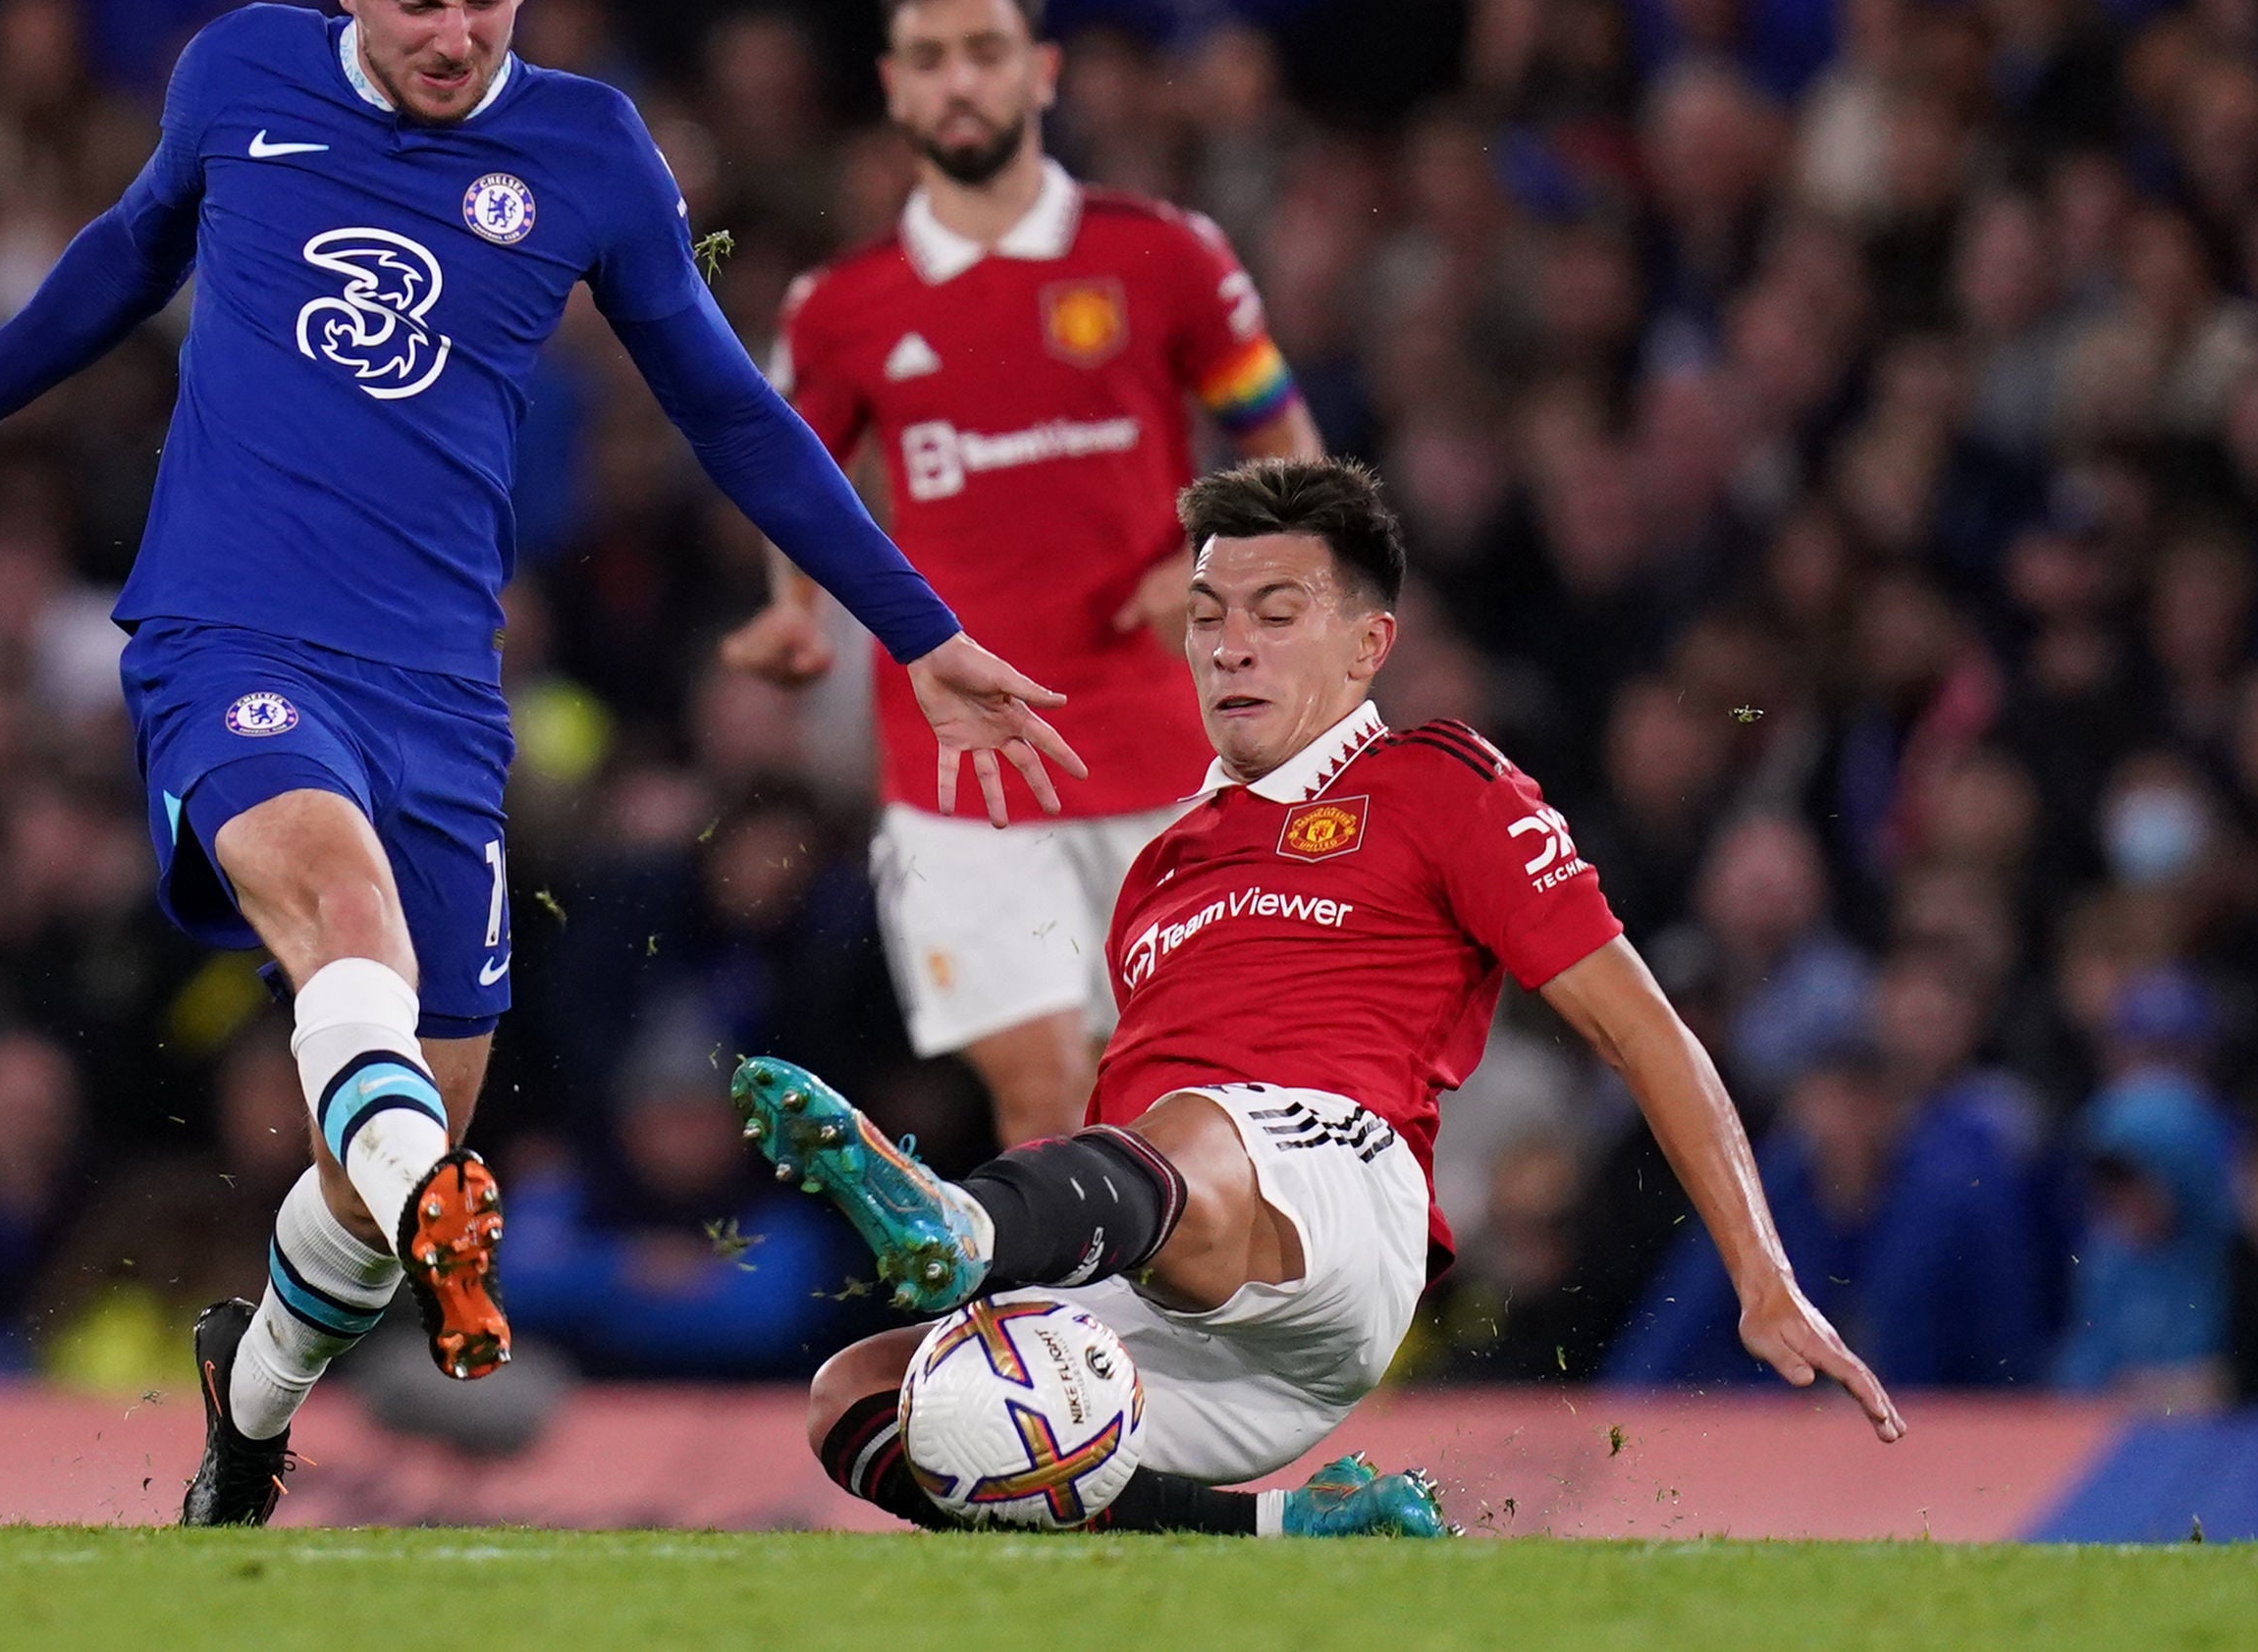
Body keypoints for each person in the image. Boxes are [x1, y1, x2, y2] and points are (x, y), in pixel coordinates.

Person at [0, 0, 1082, 1528]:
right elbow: (133, 247)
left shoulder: (589, 152)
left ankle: (250, 1407)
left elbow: (726, 405)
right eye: (415, 0)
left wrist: (920, 628)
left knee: (387, 1142)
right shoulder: (237, 79)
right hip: (230, 633)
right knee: (342, 925)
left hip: (438, 692)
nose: (453, 36)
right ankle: (438, 1234)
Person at [735, 457, 1901, 1538]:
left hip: (1336, 1214)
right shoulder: (1163, 865)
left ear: (1366, 645)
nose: (1231, 647)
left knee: (1194, 1125)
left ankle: (964, 1222)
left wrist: (1764, 1274)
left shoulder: (1441, 782)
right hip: (1180, 1304)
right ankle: (1292, 1526)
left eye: (1275, 614)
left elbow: (1642, 1031)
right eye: (1206, 618)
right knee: (867, 1399)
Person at [725, 0, 1317, 1147]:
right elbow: (793, 485)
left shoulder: (1163, 251)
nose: (960, 84)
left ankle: (1167, 1339)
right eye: (931, 60)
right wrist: (790, 609)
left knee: (1172, 1093)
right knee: (1041, 1091)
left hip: (1164, 744)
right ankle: (1062, 1341)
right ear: (893, 87)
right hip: (960, 766)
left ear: (1040, 71)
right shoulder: (840, 310)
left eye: (986, 54)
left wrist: (1227, 562)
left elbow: (1292, 450)